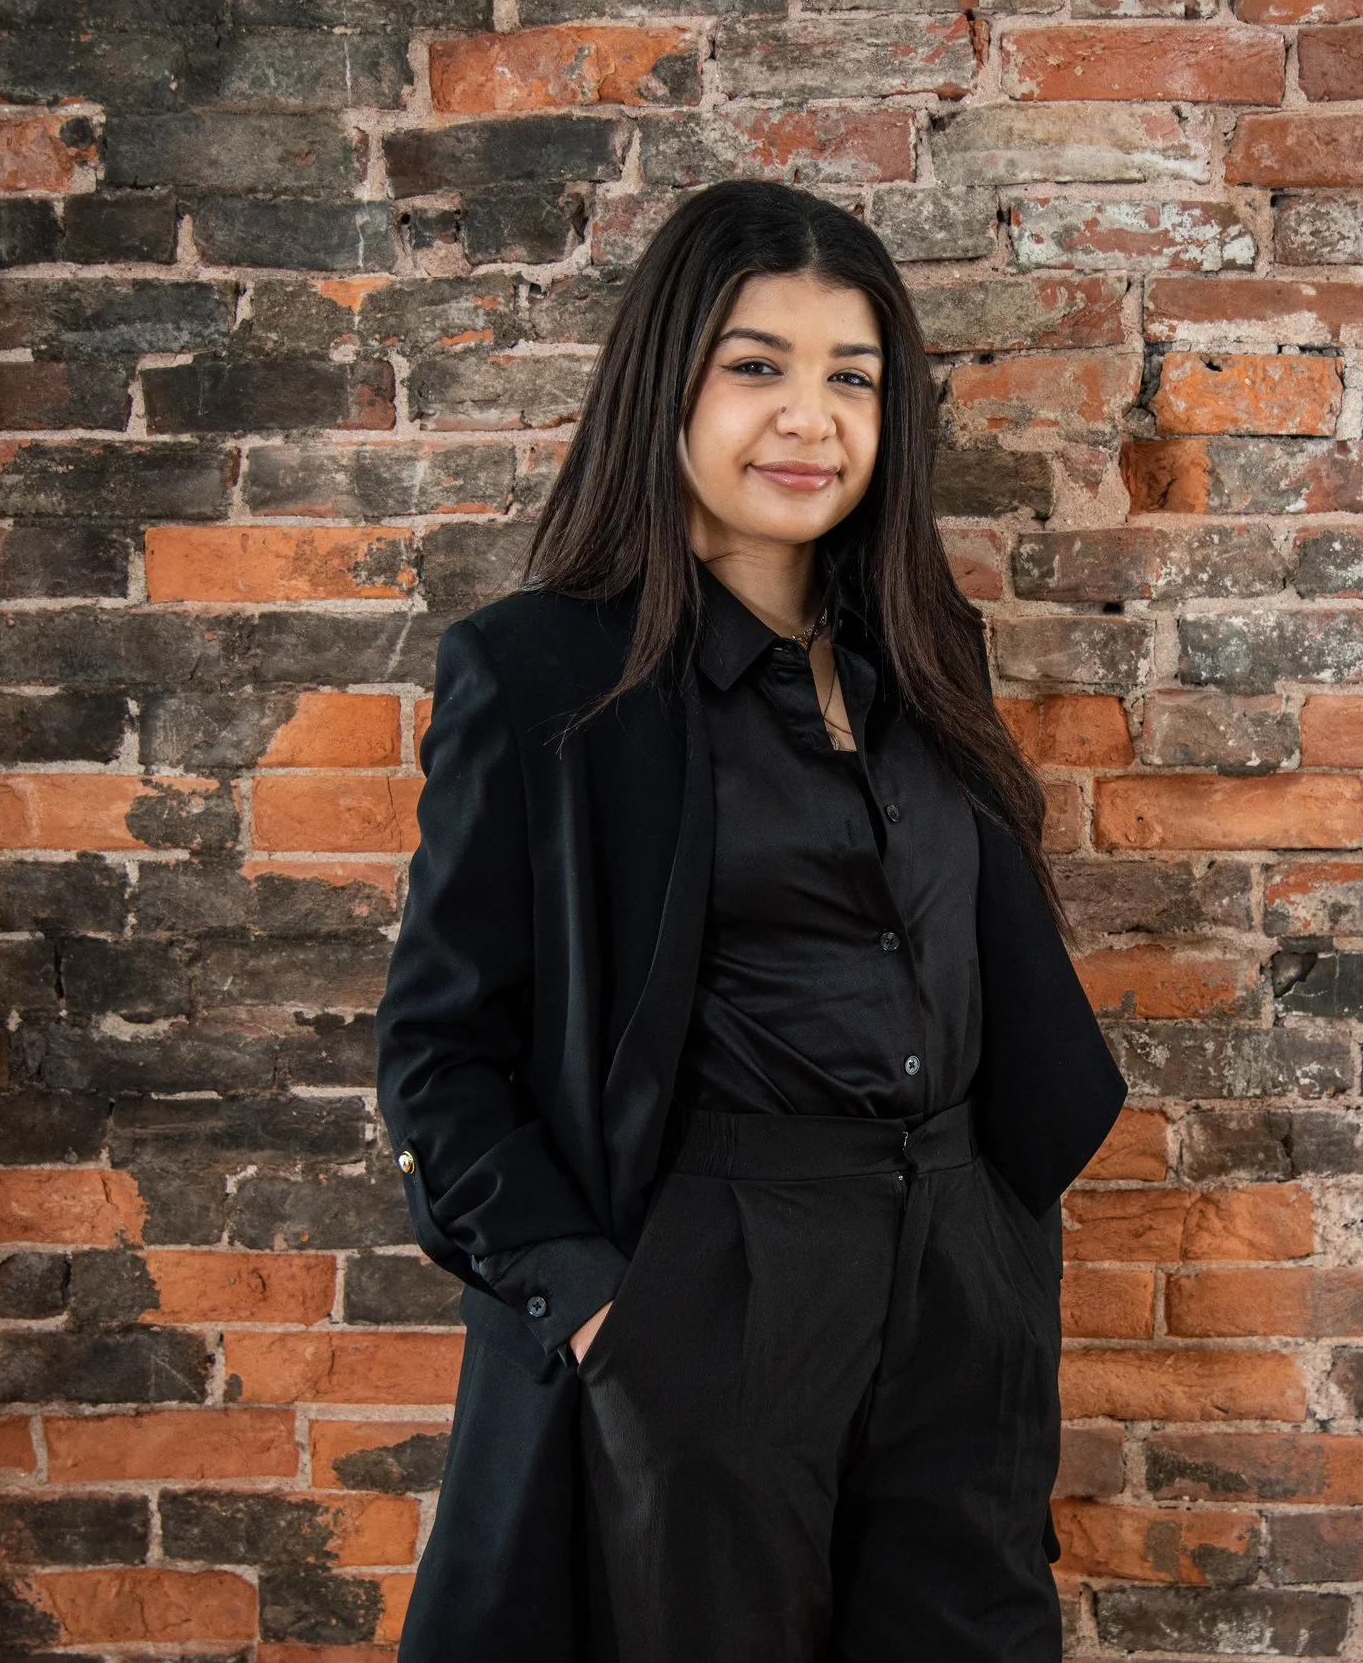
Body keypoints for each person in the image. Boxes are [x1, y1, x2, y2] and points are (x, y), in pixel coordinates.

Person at [373, 178, 1127, 1663]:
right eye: (757, 367)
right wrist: (604, 1313)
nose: (811, 418)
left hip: (957, 1268)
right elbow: (440, 1052)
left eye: (853, 378)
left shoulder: (922, 653)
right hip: (712, 1279)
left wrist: (999, 1239)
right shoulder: (541, 678)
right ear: (670, 384)